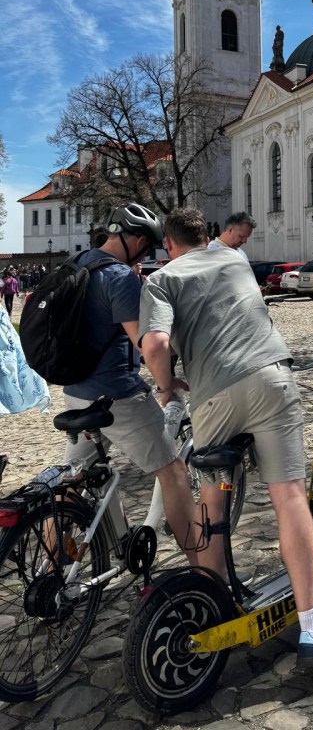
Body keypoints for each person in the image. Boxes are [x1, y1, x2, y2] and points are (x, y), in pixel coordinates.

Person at [139, 208, 313, 668]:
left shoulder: (162, 278)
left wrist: (166, 385)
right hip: (269, 378)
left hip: (213, 396)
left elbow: (153, 345)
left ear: (169, 245)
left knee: (212, 504)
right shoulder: (235, 259)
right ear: (206, 236)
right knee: (290, 498)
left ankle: (213, 610)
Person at [60, 203, 197, 555]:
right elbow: (149, 345)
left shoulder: (77, 264)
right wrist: (166, 386)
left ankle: (54, 560)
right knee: (174, 472)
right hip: (116, 395)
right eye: (147, 245)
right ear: (136, 240)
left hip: (76, 392)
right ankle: (204, 568)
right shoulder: (119, 278)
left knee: (74, 479)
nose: (146, 251)